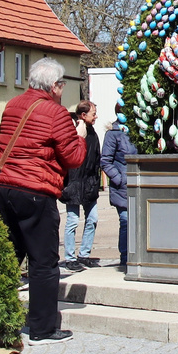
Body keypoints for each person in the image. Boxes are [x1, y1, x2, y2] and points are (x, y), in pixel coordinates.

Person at [0, 57, 85, 344]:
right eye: (62, 85)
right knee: (43, 262)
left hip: (6, 187)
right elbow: (74, 158)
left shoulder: (12, 105)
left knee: (8, 257)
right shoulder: (56, 114)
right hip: (36, 190)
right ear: (55, 87)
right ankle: (42, 328)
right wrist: (80, 136)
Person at [61, 101, 104, 271]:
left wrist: (95, 181)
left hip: (89, 185)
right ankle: (70, 258)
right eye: (93, 113)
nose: (96, 116)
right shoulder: (73, 132)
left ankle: (84, 255)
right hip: (73, 184)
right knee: (72, 221)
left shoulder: (92, 133)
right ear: (83, 115)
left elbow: (96, 158)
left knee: (92, 219)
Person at [98, 102, 134, 269]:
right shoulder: (113, 133)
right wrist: (119, 178)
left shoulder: (137, 130)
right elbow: (105, 161)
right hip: (122, 187)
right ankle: (124, 257)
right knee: (126, 220)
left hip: (137, 185)